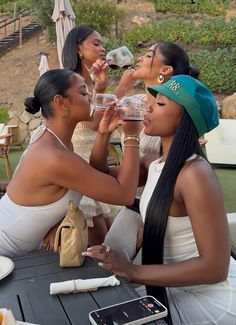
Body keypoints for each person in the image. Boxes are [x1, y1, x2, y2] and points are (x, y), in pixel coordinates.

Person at [83, 75, 236, 325]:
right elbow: (100, 172)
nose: (149, 106)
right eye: (152, 100)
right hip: (172, 287)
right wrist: (103, 133)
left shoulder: (195, 174)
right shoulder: (154, 163)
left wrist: (131, 270)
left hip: (211, 298)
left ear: (185, 119)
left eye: (161, 104)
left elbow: (216, 268)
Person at [0, 69, 140, 257]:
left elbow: (92, 176)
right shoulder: (53, 157)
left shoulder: (53, 138)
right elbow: (124, 195)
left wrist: (103, 132)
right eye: (83, 92)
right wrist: (131, 135)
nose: (90, 98)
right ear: (61, 101)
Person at [105, 41, 200, 261]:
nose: (139, 58)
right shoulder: (135, 102)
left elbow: (182, 178)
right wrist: (123, 83)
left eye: (148, 56)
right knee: (109, 253)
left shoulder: (176, 116)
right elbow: (103, 116)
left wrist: (151, 225)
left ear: (165, 70)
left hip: (163, 210)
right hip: (133, 201)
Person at [62, 25, 114, 244]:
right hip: (80, 162)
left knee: (109, 236)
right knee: (98, 238)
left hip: (96, 160)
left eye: (102, 44)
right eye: (96, 43)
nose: (102, 49)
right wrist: (101, 91)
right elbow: (93, 124)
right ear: (79, 49)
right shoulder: (70, 82)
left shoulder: (92, 82)